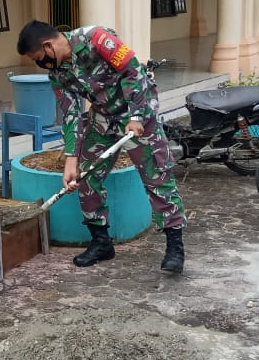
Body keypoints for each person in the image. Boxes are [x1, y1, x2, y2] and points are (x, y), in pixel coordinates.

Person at [16, 20, 186, 274]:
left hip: (136, 114)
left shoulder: (96, 39)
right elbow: (71, 114)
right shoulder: (58, 73)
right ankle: (101, 242)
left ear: (48, 45)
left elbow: (133, 72)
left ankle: (175, 246)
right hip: (103, 120)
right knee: (85, 176)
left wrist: (137, 116)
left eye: (38, 57)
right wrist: (71, 160)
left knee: (157, 176)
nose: (40, 64)